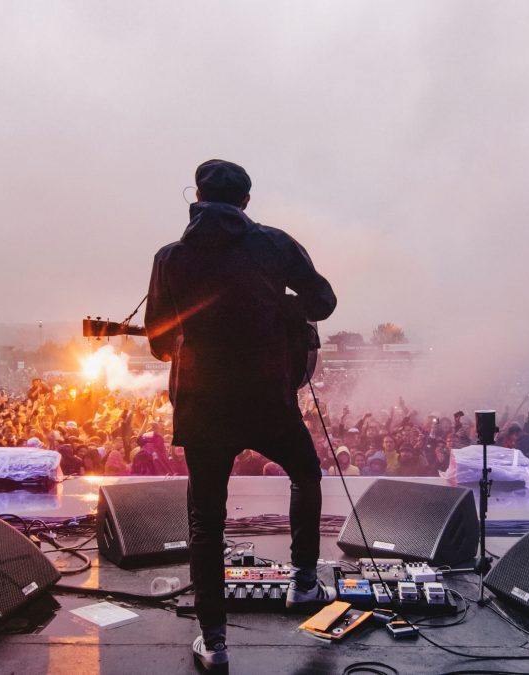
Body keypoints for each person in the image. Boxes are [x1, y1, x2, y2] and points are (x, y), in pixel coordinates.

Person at [145, 159, 337, 669]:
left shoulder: (171, 258)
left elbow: (160, 346)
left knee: (206, 521)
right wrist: (284, 307)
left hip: (204, 406)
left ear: (197, 197)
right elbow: (323, 301)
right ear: (247, 202)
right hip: (268, 399)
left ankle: (214, 642)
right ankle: (303, 581)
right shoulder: (276, 244)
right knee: (306, 473)